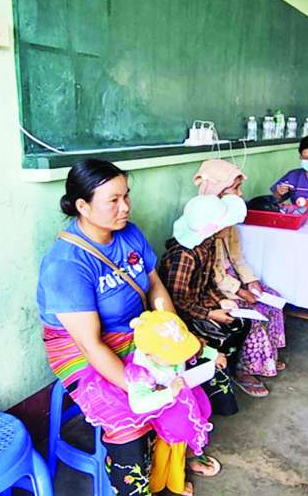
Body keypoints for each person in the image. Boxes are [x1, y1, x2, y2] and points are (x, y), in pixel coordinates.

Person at [36, 159, 219, 495]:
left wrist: (173, 334)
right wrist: (140, 386)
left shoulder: (129, 234)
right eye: (113, 200)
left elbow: (155, 285)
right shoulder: (67, 264)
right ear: (83, 206)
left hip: (134, 330)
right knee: (130, 418)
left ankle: (173, 457)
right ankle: (134, 484)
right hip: (81, 346)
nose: (125, 207)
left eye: (126, 196)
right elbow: (91, 345)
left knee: (185, 374)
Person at [193, 159, 286, 398]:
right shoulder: (203, 223)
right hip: (217, 288)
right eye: (235, 188)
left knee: (272, 299)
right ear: (217, 191)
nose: (241, 193)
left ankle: (266, 357)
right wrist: (239, 290)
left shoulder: (230, 223)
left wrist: (251, 280)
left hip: (234, 281)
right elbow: (212, 275)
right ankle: (245, 370)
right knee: (252, 315)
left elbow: (237, 257)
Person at [158, 194, 252, 416]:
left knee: (242, 323)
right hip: (182, 316)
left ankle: (226, 369)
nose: (229, 227)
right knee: (220, 337)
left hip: (200, 306)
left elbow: (207, 282)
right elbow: (178, 301)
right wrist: (210, 314)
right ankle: (214, 387)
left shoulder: (207, 245)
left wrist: (220, 300)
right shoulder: (184, 255)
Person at [126, 309, 225, 496]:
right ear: (149, 354)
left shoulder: (167, 350)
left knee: (178, 445)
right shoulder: (141, 370)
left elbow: (193, 351)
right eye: (175, 355)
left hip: (182, 403)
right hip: (163, 413)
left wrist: (214, 355)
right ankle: (167, 484)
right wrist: (169, 393)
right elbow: (138, 404)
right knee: (167, 449)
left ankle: (175, 480)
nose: (181, 357)